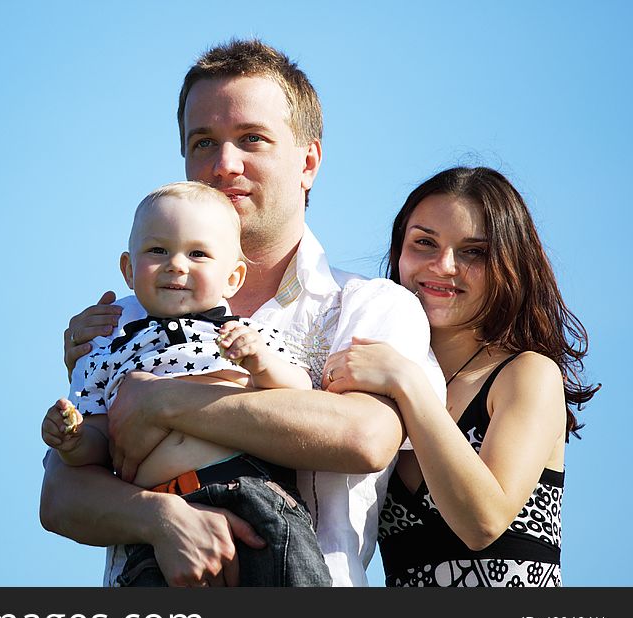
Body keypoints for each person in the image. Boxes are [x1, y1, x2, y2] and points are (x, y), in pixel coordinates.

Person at [41, 38, 445, 587]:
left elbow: (364, 437)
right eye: (203, 142)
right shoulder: (119, 322)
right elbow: (61, 495)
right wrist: (162, 518)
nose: (223, 164)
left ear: (308, 161)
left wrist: (163, 400)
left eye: (251, 139)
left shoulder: (371, 305)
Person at [43, 180, 331, 586]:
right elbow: (97, 443)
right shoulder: (107, 351)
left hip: (253, 494)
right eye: (158, 251)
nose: (177, 264)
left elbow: (300, 395)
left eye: (198, 254)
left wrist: (261, 363)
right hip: (155, 517)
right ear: (128, 269)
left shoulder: (245, 333)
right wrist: (72, 440)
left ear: (233, 277)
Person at [323, 166, 600, 586]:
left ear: (510, 264)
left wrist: (407, 381)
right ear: (399, 252)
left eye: (474, 252)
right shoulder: (375, 381)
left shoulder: (525, 374)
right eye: (424, 243)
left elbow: (483, 523)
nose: (444, 265)